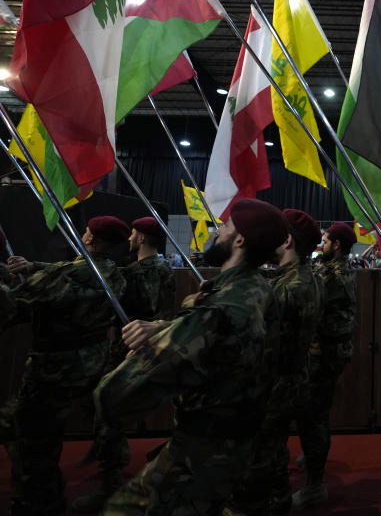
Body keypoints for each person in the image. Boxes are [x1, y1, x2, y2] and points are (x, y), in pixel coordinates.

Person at [94, 198, 287, 515]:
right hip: (241, 442)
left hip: (201, 454)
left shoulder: (218, 309)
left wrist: (160, 340)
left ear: (239, 240)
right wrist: (169, 326)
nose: (217, 232)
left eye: (225, 226)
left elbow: (114, 396)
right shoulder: (259, 290)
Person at [2, 215, 129, 515]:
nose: (83, 235)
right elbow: (77, 271)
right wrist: (34, 266)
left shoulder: (65, 279)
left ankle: (42, 502)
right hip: (89, 362)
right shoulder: (113, 274)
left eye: (86, 232)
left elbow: (12, 306)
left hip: (52, 370)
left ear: (90, 240)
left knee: (34, 443)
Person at [73, 217, 175, 513]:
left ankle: (111, 484)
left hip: (131, 347)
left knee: (110, 415)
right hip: (146, 345)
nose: (129, 238)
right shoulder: (158, 268)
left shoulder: (141, 271)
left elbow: (144, 310)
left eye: (133, 234)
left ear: (141, 237)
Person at [230, 208, 325, 515]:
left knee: (263, 458)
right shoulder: (307, 279)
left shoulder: (288, 288)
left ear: (285, 242)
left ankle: (276, 503)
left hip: (277, 384)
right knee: (274, 450)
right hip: (293, 379)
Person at [292, 221, 358, 509]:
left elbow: (305, 291)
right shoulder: (335, 269)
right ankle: (312, 454)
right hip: (328, 350)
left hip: (326, 352)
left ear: (338, 245)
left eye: (327, 241)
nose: (323, 245)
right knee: (316, 409)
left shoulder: (333, 275)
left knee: (313, 413)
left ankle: (315, 484)